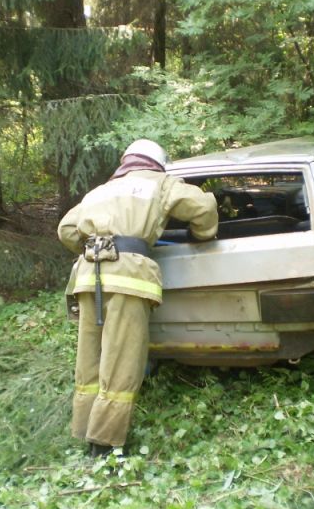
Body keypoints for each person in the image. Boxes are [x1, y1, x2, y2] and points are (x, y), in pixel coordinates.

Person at [57, 139, 218, 457]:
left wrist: (96, 247)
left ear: (125, 162)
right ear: (158, 163)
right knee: (121, 361)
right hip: (129, 278)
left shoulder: (100, 190)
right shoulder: (161, 183)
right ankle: (104, 446)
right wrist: (202, 234)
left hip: (89, 277)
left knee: (91, 357)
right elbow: (204, 208)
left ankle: (84, 429)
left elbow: (66, 229)